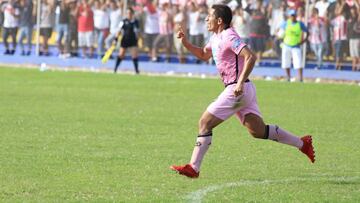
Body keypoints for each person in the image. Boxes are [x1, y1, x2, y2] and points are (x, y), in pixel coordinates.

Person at [170, 4, 315, 179]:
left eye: (209, 16)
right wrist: (185, 43)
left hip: (237, 89)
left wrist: (239, 83)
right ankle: (302, 144)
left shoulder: (229, 36)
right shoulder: (216, 37)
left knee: (204, 122)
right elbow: (203, 54)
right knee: (258, 131)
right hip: (243, 89)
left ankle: (194, 167)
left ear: (219, 20)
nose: (206, 19)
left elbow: (250, 56)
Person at [280, 9, 308, 82]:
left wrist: (303, 41)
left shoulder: (300, 24)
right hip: (286, 45)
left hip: (296, 46)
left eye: (294, 15)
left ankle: (300, 78)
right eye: (291, 16)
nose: (293, 17)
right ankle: (288, 77)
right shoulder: (285, 23)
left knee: (298, 62)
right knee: (286, 62)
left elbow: (307, 32)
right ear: (289, 16)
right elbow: (279, 32)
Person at [114, 7, 140, 74]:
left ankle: (136, 71)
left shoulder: (135, 22)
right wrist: (116, 39)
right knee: (121, 55)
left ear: (132, 14)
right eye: (127, 13)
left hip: (133, 40)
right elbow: (119, 31)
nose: (129, 14)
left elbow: (137, 32)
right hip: (125, 39)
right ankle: (115, 69)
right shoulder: (123, 21)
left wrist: (138, 39)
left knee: (134, 55)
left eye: (130, 13)